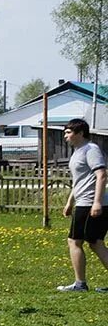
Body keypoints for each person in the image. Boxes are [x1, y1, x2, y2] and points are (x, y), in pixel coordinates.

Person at [58, 118, 108, 292]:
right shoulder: (78, 151)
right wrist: (70, 202)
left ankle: (80, 284)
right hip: (83, 203)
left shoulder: (91, 149)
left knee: (75, 241)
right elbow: (79, 181)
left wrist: (97, 203)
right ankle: (80, 283)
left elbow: (101, 175)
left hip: (90, 204)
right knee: (96, 243)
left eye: (68, 132)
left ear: (80, 133)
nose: (65, 135)